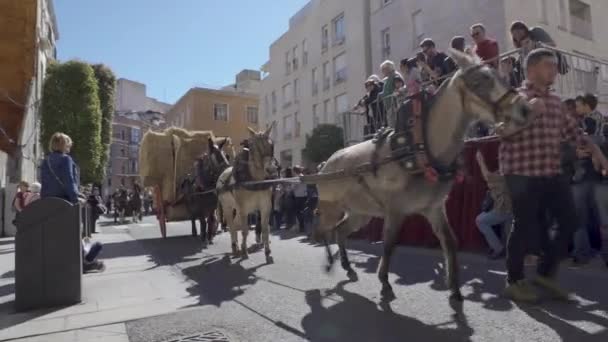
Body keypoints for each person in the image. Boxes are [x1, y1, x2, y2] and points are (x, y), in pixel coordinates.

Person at [499, 49, 608, 302]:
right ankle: (514, 281)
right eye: (549, 65)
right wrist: (528, 115)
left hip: (549, 171)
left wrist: (599, 155)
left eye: (555, 66)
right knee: (524, 225)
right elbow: (503, 132)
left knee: (570, 220)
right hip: (520, 172)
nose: (555, 70)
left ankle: (545, 275)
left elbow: (576, 134)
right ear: (531, 69)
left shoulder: (557, 103)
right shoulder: (516, 97)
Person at [40, 132, 105, 272]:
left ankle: (61, 263)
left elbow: (45, 184)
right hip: (66, 202)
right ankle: (83, 263)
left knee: (56, 236)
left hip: (49, 202)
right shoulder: (66, 160)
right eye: (68, 143)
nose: (69, 146)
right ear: (63, 144)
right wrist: (77, 198)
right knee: (75, 233)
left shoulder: (45, 161)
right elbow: (69, 181)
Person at [475, 152, 512, 259]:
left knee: (480, 220)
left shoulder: (504, 176)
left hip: (505, 209)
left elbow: (487, 176)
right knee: (508, 230)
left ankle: (498, 249)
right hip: (513, 208)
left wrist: (480, 160)